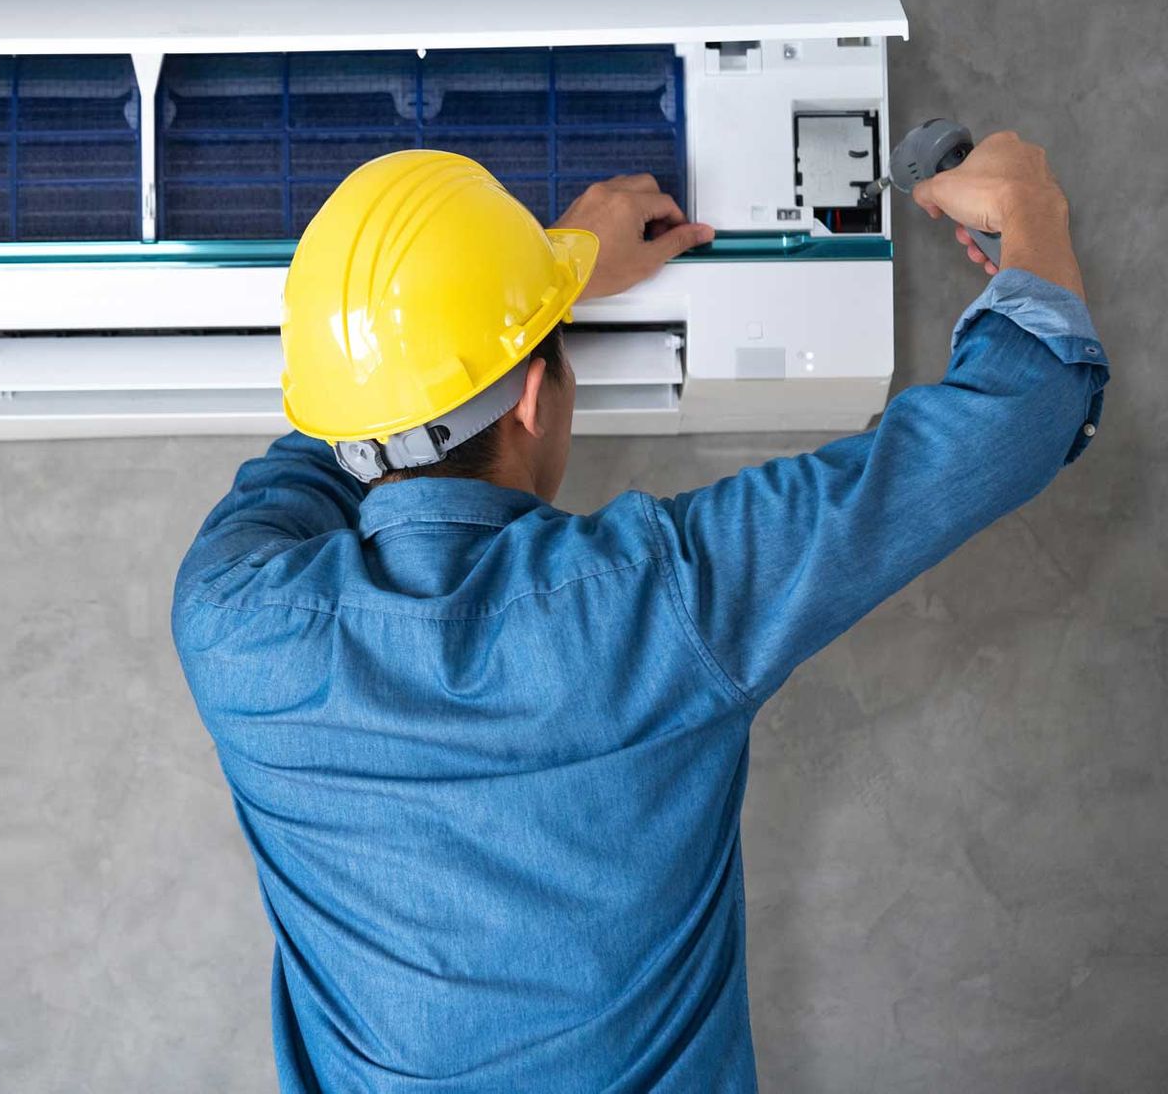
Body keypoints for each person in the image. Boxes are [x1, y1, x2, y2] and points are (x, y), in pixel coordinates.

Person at [170, 141, 1106, 1092]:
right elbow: (1023, 409)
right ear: (538, 395)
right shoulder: (662, 603)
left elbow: (339, 436)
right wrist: (1031, 205)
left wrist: (541, 279)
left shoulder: (231, 623)